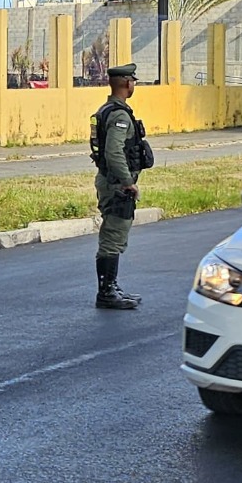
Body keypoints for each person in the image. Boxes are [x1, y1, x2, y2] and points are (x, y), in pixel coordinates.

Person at [90, 63, 151, 310]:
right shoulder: (118, 115)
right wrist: (128, 182)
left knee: (114, 235)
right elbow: (114, 152)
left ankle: (111, 287)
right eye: (133, 81)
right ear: (127, 83)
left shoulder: (107, 110)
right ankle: (106, 292)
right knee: (112, 237)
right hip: (117, 185)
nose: (133, 85)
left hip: (111, 182)